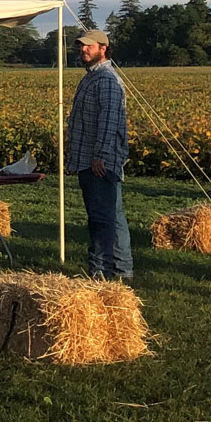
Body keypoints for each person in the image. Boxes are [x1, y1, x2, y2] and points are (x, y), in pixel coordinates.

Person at [65, 28, 133, 283]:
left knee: (101, 219)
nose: (84, 50)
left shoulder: (105, 79)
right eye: (82, 46)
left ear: (103, 48)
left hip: (97, 162)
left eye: (89, 46)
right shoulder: (92, 77)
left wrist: (100, 157)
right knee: (112, 216)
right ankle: (122, 272)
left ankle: (100, 274)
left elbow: (109, 121)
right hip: (90, 159)